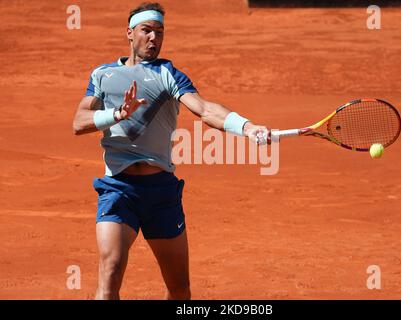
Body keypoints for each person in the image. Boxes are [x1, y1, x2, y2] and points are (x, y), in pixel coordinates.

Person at [72, 2, 269, 300]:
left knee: (179, 288)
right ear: (129, 33)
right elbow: (79, 122)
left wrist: (246, 126)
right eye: (147, 30)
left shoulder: (168, 73)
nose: (154, 38)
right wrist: (116, 114)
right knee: (110, 268)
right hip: (118, 188)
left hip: (161, 193)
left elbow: (204, 109)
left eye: (160, 32)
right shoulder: (103, 75)